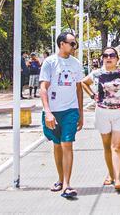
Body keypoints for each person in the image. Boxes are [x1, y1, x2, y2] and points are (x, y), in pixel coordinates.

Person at [80, 47, 120, 192]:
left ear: (117, 58)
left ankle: (118, 178)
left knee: (117, 147)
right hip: (102, 113)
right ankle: (111, 174)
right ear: (102, 58)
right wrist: (92, 96)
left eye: (112, 55)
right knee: (107, 147)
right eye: (105, 55)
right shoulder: (96, 74)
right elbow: (83, 83)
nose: (108, 57)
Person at [40, 31, 84, 199]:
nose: (74, 47)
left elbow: (79, 89)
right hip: (53, 111)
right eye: (72, 43)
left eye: (75, 44)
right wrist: (48, 112)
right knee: (57, 145)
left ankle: (67, 184)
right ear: (61, 44)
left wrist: (80, 113)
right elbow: (43, 88)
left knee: (67, 144)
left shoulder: (76, 64)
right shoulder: (50, 63)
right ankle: (60, 179)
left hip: (70, 111)